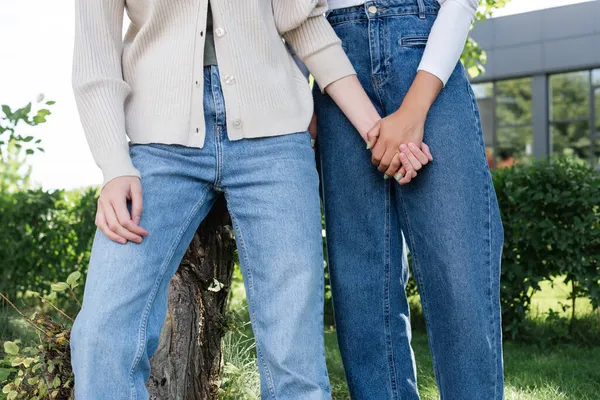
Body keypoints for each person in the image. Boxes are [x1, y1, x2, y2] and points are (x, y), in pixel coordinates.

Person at [69, 0, 421, 398]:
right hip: (157, 145)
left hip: (275, 139)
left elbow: (303, 25)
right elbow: (95, 60)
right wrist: (114, 165)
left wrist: (379, 134)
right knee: (102, 333)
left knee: (294, 360)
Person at [312, 0, 505, 399]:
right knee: (362, 290)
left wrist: (415, 109)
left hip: (426, 47)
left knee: (459, 275)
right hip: (332, 61)